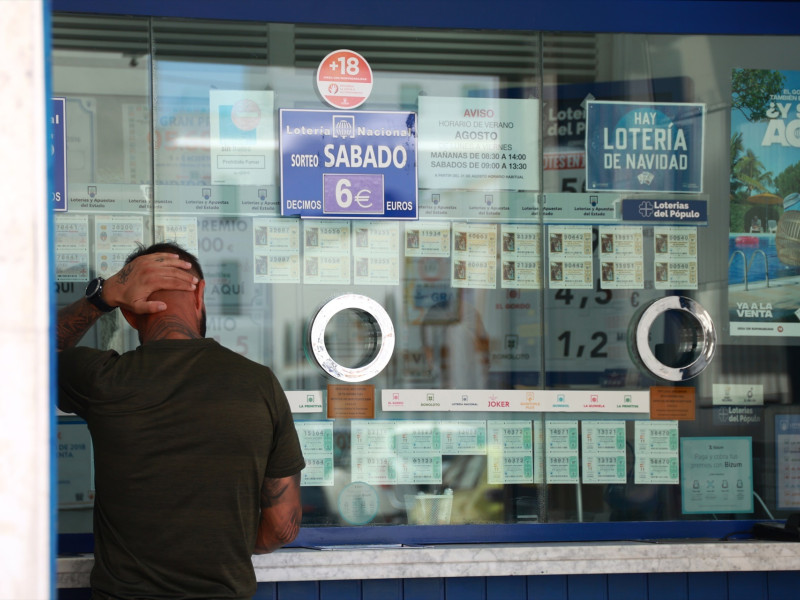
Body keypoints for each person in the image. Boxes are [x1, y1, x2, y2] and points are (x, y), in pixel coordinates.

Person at [57, 242, 305, 600]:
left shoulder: (104, 380)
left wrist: (102, 297)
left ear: (128, 313)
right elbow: (282, 527)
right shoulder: (258, 384)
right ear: (201, 293)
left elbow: (25, 355)